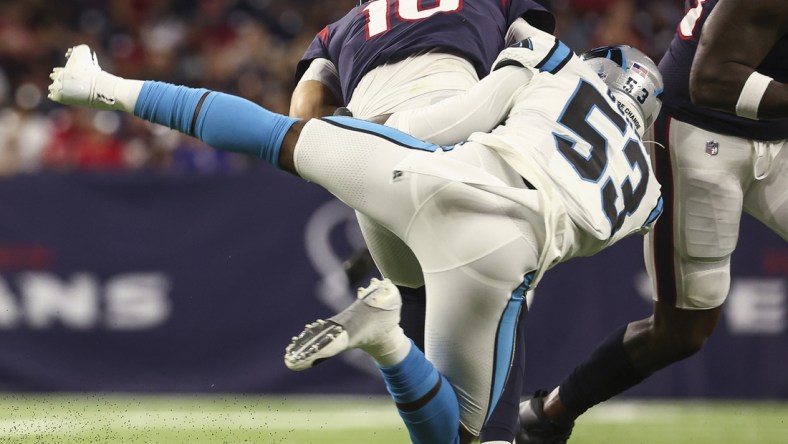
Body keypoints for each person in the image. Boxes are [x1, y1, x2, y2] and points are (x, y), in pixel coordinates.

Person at [47, 22, 664, 442]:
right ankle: (387, 343)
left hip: (433, 174)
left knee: (272, 135)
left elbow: (485, 101)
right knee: (462, 437)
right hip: (499, 262)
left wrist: (387, 135)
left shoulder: (559, 71)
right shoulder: (649, 199)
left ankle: (106, 86)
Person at [516, 1, 788, 442]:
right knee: (681, 333)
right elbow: (712, 79)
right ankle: (547, 416)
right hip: (702, 135)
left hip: (778, 133)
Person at [289, 3, 555, 441]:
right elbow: (539, 56)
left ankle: (387, 341)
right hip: (459, 138)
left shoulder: (338, 30)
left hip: (377, 154)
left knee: (415, 301)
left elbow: (304, 115)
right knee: (502, 292)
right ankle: (496, 436)